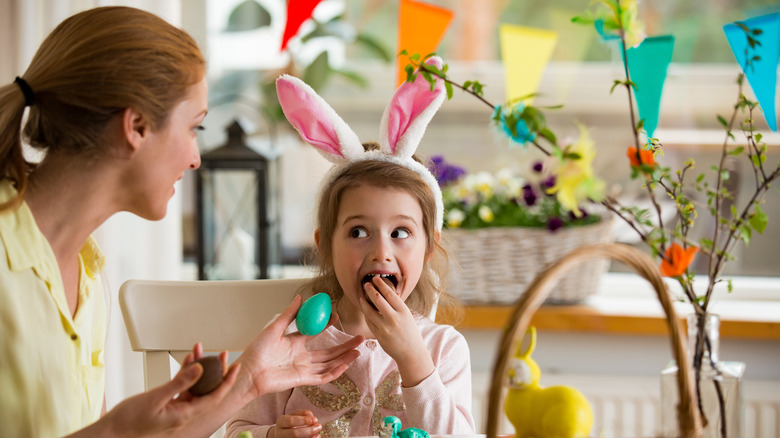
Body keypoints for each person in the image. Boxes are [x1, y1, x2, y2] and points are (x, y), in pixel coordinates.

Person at [0, 6, 364, 438]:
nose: (195, 158)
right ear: (135, 126)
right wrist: (115, 430)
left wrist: (250, 381)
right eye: (194, 128)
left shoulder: (85, 271)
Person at [226, 57, 475, 438]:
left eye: (401, 232)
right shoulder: (292, 342)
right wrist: (273, 435)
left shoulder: (442, 349)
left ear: (429, 248)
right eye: (358, 232)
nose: (380, 252)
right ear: (325, 244)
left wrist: (414, 361)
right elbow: (237, 431)